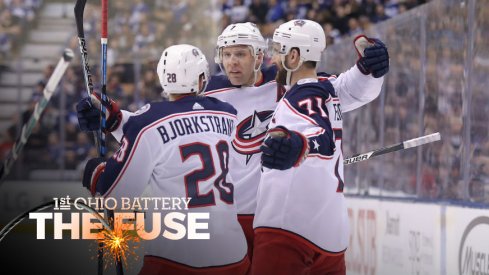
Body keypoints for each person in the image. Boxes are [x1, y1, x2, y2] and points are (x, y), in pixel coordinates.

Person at [77, 22, 389, 261]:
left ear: (259, 56)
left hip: (274, 218)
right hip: (224, 220)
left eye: (240, 53)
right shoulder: (205, 90)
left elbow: (343, 90)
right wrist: (114, 120)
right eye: (226, 54)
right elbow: (160, 129)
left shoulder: (286, 83)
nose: (232, 62)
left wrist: (369, 71)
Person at [81, 44, 249, 275]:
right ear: (201, 79)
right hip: (233, 255)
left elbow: (115, 193)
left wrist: (96, 172)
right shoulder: (227, 113)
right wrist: (117, 121)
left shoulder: (147, 122)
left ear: (163, 76)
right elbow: (178, 132)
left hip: (177, 258)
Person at [252, 19, 389, 274]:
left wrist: (299, 145)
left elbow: (320, 137)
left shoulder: (300, 96)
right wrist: (369, 68)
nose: (273, 58)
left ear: (293, 56)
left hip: (288, 229)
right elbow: (353, 88)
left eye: (278, 50)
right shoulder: (325, 88)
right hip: (330, 236)